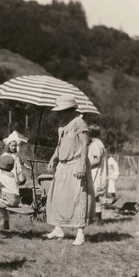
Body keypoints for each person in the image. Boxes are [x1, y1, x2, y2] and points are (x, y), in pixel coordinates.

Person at [44, 95, 95, 246]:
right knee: (58, 196)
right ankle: (58, 228)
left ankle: (80, 233)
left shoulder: (79, 123)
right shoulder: (62, 125)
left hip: (76, 164)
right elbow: (60, 145)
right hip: (63, 165)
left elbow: (85, 145)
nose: (58, 114)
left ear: (69, 110)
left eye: (61, 111)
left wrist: (82, 166)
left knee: (78, 198)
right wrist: (53, 157)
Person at [88, 124, 108, 224]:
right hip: (96, 171)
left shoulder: (96, 145)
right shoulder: (98, 144)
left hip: (96, 172)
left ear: (90, 133)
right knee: (95, 195)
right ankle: (95, 217)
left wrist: (85, 166)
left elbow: (96, 160)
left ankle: (98, 219)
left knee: (95, 195)